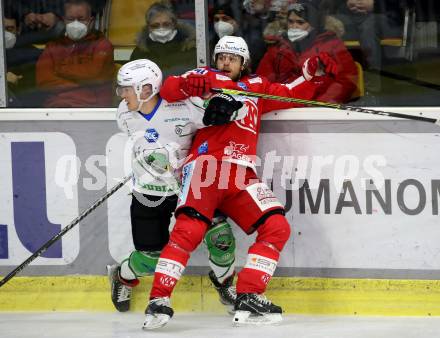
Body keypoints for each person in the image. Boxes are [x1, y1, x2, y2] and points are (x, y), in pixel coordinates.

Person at [142, 36, 338, 329]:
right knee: (188, 231)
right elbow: (168, 88)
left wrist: (311, 72)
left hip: (242, 173)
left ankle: (249, 294)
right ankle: (159, 299)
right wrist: (187, 86)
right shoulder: (205, 76)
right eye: (221, 56)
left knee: (276, 227)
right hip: (205, 168)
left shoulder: (257, 87)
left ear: (244, 62)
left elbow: (290, 92)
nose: (225, 62)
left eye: (233, 58)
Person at [107, 58, 244, 314]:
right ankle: (122, 276)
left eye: (126, 88)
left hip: (190, 189)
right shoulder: (123, 113)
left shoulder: (185, 108)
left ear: (146, 88)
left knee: (220, 239)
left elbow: (235, 113)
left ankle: (224, 284)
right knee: (151, 260)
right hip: (149, 195)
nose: (122, 94)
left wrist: (228, 107)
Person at [257, 1, 357, 103]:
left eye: (300, 22)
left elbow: (346, 80)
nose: (294, 26)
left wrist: (322, 103)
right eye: (291, 22)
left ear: (313, 24)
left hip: (319, 110)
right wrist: (278, 102)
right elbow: (262, 80)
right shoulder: (277, 48)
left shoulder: (332, 45)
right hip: (283, 109)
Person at [35, 0, 114, 108]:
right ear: (63, 20)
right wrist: (79, 85)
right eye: (71, 19)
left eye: (81, 19)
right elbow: (43, 81)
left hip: (93, 109)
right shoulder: (52, 47)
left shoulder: (102, 45)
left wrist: (59, 69)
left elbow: (92, 74)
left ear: (91, 21)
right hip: (56, 108)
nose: (75, 24)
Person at [129, 2, 196, 78]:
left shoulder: (191, 48)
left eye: (166, 24)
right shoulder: (139, 53)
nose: (161, 28)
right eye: (155, 26)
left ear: (174, 24)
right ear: (148, 27)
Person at [4, 6, 43, 107]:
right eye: (1, 29)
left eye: (9, 29)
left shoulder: (32, 53)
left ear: (18, 29)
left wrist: (18, 82)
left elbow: (37, 89)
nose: (5, 34)